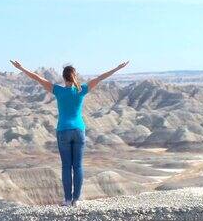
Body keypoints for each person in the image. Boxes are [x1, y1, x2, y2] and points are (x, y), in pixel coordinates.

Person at [9, 60, 129, 206]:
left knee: (66, 166)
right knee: (77, 166)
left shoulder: (58, 91)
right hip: (79, 131)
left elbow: (37, 78)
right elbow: (100, 78)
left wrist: (21, 68)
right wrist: (117, 68)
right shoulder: (81, 90)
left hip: (63, 131)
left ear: (63, 77)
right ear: (74, 76)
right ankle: (76, 200)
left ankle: (67, 200)